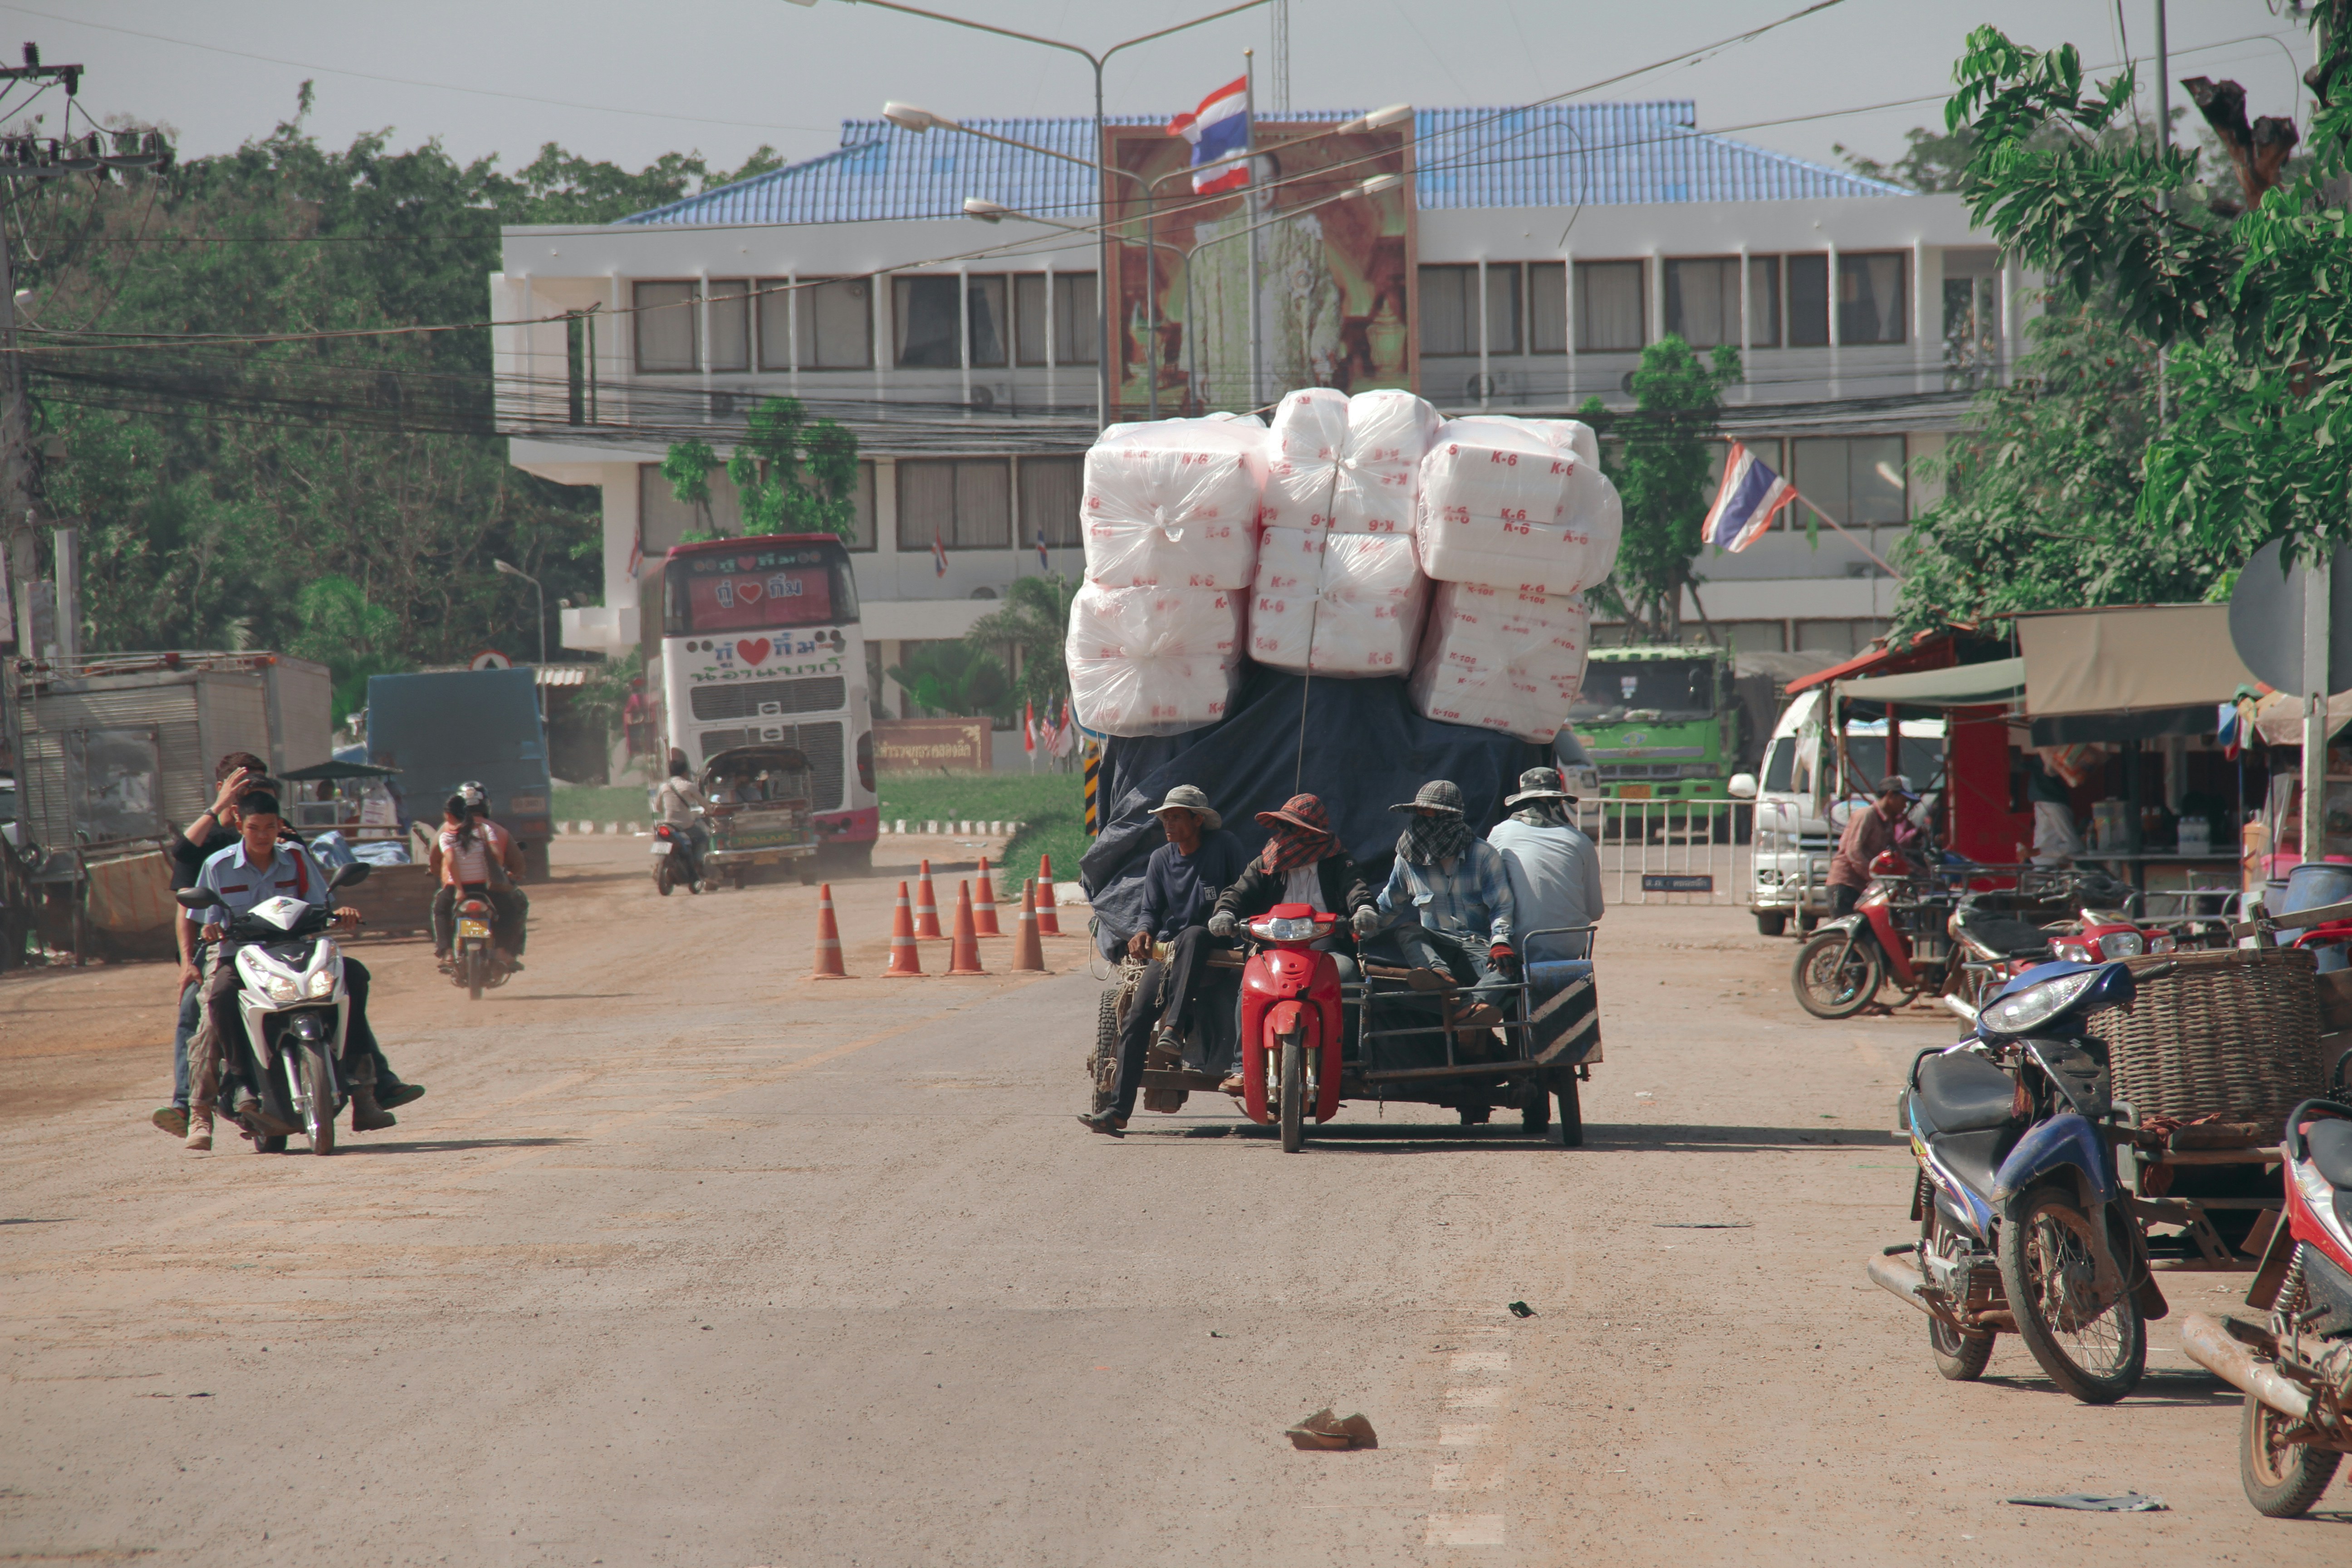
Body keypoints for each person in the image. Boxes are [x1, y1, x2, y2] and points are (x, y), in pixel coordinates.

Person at [183, 791, 410, 1150]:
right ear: (240, 824)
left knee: (353, 977)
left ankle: (364, 1091)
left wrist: (343, 913)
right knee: (217, 1001)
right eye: (255, 828)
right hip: (239, 956)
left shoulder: (297, 858)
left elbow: (322, 904)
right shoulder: (217, 865)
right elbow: (206, 922)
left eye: (270, 828)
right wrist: (210, 930)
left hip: (298, 951)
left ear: (280, 826)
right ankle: (207, 1107)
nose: (262, 836)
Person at [1077, 784, 1249, 1137]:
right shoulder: (1161, 860)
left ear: (1197, 820)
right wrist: (1142, 933)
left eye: (1175, 817)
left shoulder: (1225, 847)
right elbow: (1151, 911)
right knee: (1138, 1017)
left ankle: (1174, 1027)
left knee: (1196, 934)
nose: (1168, 825)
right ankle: (1117, 1112)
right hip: (1174, 953)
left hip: (1219, 951)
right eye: (1165, 818)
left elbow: (1246, 891)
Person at [1205, 793, 1380, 1093]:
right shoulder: (1267, 861)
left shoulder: (1338, 860)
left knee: (1349, 977)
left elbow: (1357, 889)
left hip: (1327, 951)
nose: (1288, 835)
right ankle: (1241, 1067)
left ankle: (1347, 1066)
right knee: (1249, 987)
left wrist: (1363, 910)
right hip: (1273, 952)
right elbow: (1238, 892)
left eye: (1295, 828)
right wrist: (1224, 912)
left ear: (1314, 832)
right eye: (1285, 827)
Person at [1373, 779, 1519, 1029]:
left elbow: (1501, 906)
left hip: (1477, 949)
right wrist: (1363, 925)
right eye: (1419, 814)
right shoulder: (1407, 859)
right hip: (1437, 950)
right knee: (1408, 930)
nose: (1422, 822)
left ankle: (1472, 1007)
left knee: (1509, 968)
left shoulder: (1483, 855)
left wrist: (1501, 942)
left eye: (1430, 814)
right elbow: (1389, 906)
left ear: (1449, 818)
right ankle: (1437, 975)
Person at [1486, 767, 1604, 961]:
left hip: (1518, 945)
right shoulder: (1580, 840)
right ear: (1559, 802)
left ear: (1521, 803)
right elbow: (1595, 911)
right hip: (1571, 947)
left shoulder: (1502, 833)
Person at [431, 795, 530, 972]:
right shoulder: (485, 830)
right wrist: (497, 870)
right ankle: (501, 952)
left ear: (448, 815)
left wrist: (460, 889)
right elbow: (497, 853)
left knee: (441, 911)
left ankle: (448, 955)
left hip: (457, 888)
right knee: (509, 911)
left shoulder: (445, 835)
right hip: (486, 887)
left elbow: (450, 860)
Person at [1826, 775, 1921, 918]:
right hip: (1845, 885)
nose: (1905, 807)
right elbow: (1853, 852)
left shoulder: (1888, 822)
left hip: (1864, 888)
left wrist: (1921, 874)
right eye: (1904, 801)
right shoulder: (1867, 815)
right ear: (1890, 795)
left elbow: (1898, 855)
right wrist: (1874, 877)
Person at [652, 756, 712, 890]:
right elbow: (704, 803)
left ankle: (658, 866)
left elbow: (658, 807)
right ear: (685, 773)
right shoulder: (688, 786)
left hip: (668, 825)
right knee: (703, 838)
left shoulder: (664, 787)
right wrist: (710, 810)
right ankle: (698, 865)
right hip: (685, 826)